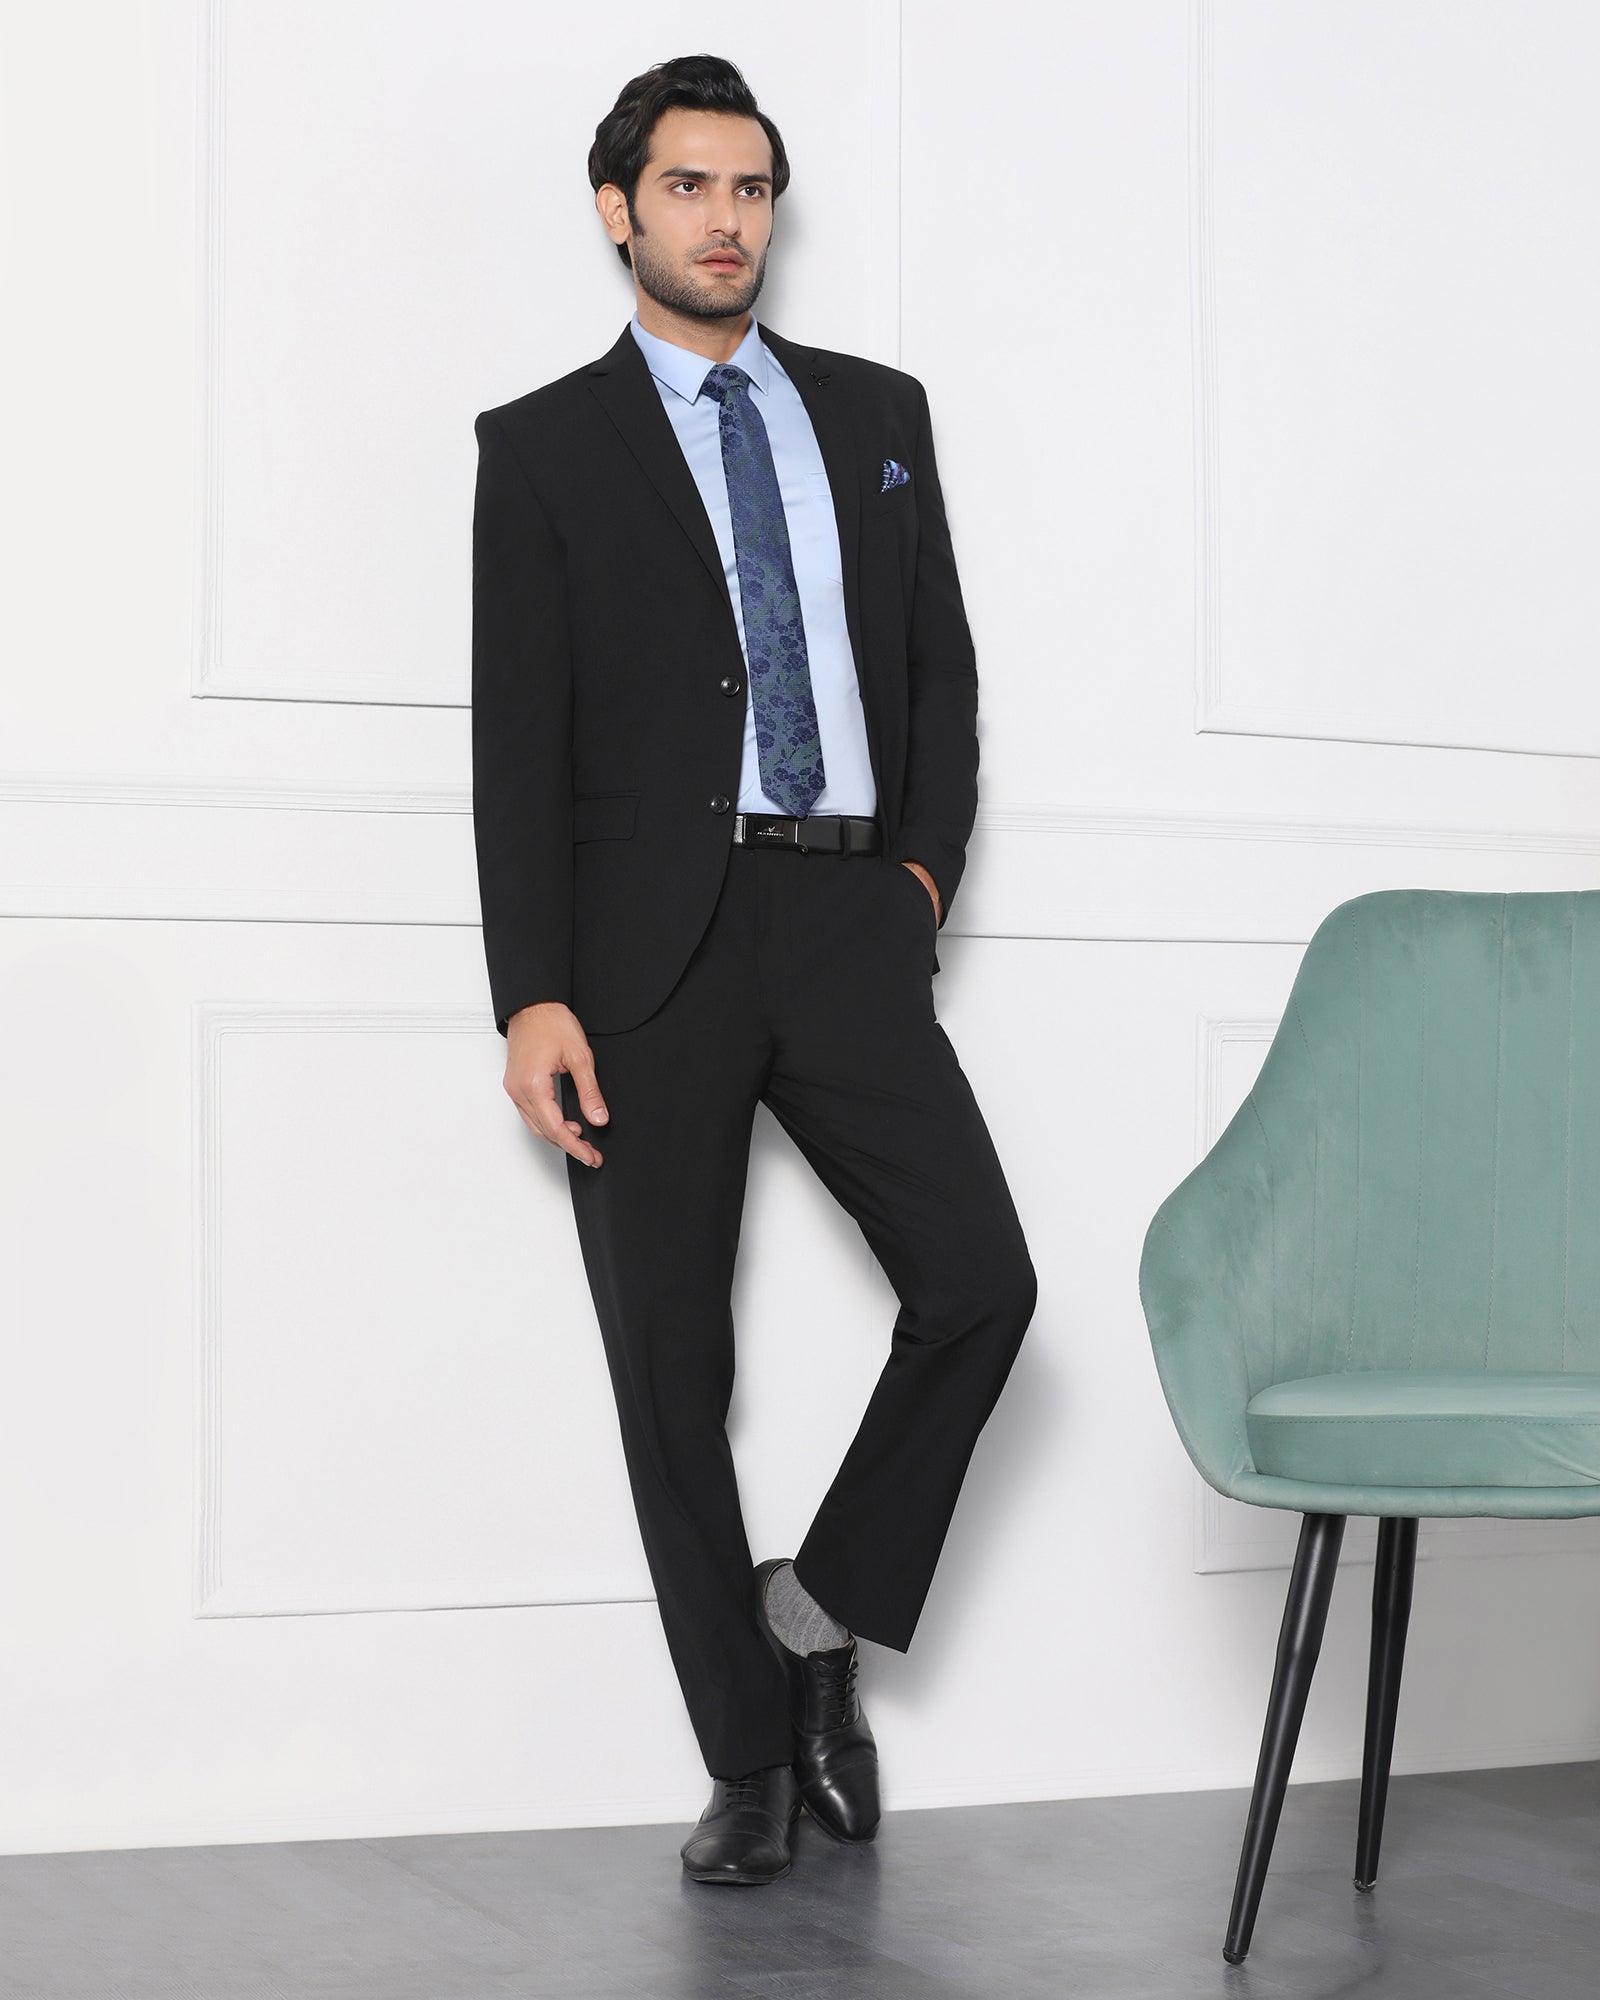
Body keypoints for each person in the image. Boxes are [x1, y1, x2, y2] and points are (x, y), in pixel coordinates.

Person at [470, 53, 1037, 1887]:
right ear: (618, 209)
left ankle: (816, 1617)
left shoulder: (877, 412)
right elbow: (517, 741)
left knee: (982, 1283)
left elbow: (939, 672)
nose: (728, 220)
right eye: (689, 186)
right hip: (647, 957)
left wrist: (919, 883)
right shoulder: (542, 448)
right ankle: (744, 1758)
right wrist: (531, 994)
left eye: (753, 187)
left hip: (848, 918)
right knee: (668, 1369)